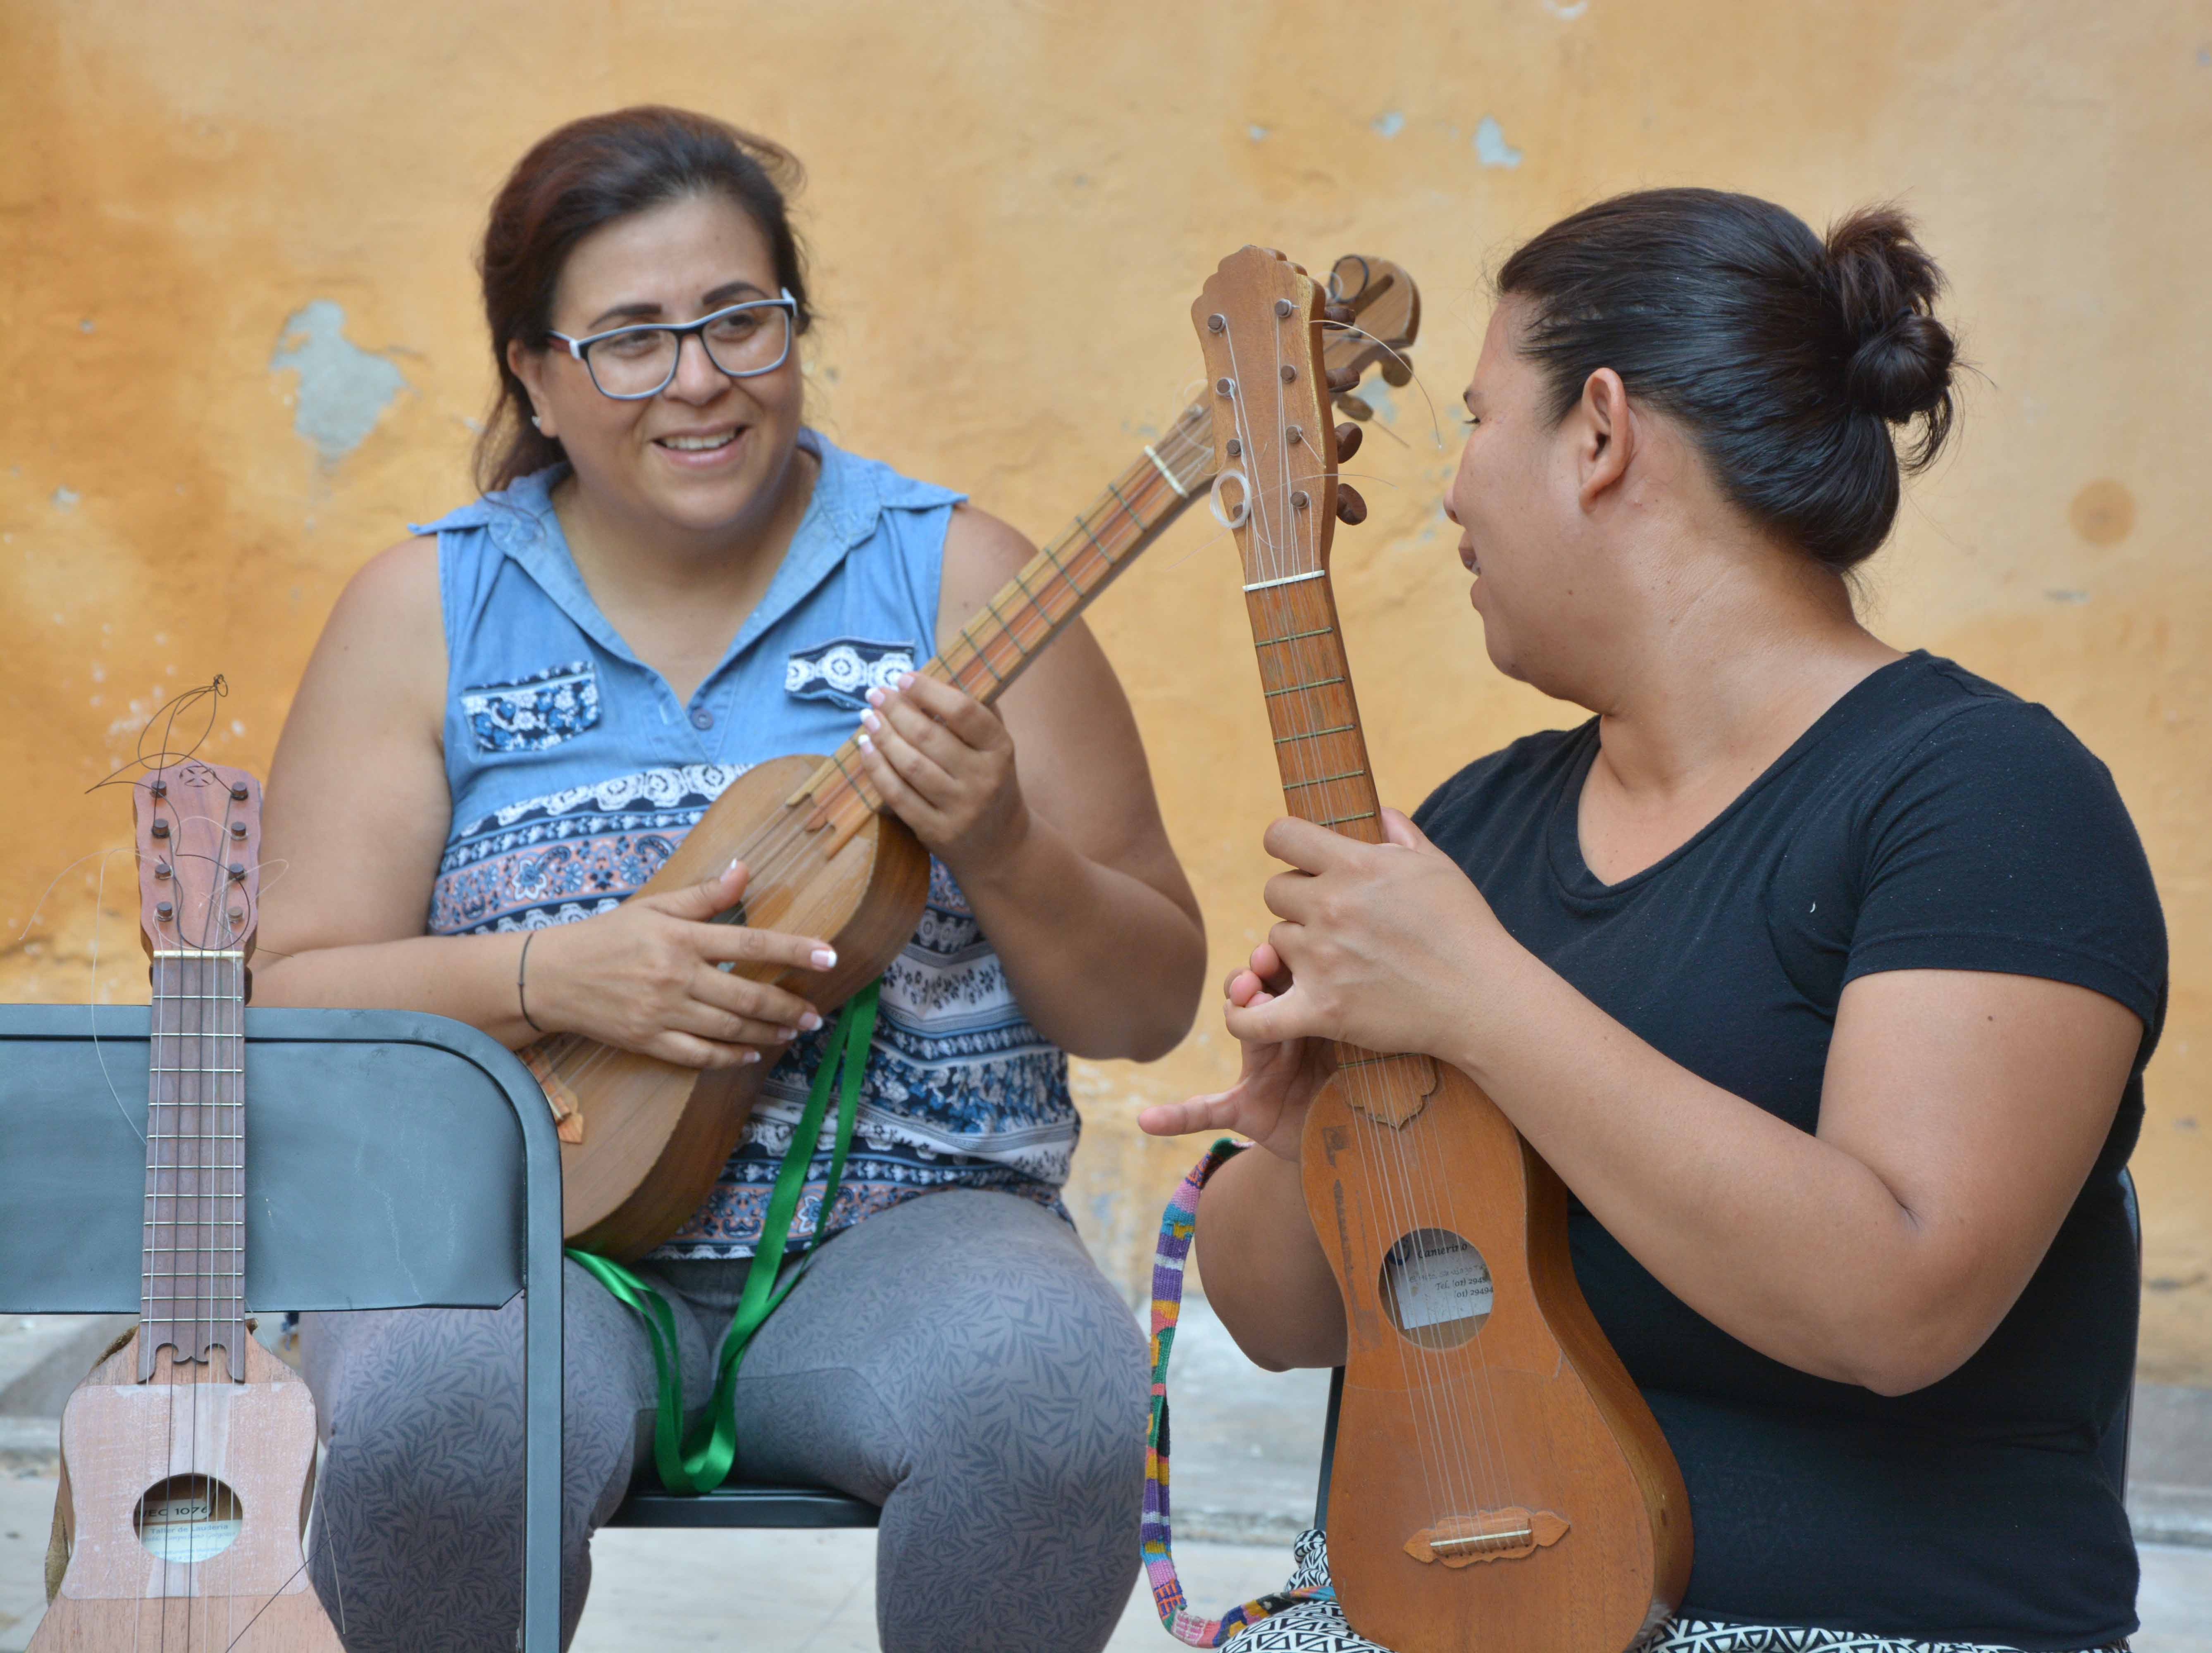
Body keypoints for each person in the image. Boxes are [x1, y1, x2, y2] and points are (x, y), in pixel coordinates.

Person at [1142, 189, 2160, 1652]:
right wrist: (1309, 1139)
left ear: (1601, 433)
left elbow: (1900, 1301)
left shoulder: (1985, 798)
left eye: (1480, 423)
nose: (1449, 495)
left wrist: (1478, 1000)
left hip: (1868, 1627)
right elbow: (1285, 1325)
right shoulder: (1475, 827)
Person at [253, 105, 1207, 1652]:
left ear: (794, 329)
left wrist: (1004, 843)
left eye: (737, 322)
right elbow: (289, 998)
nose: (697, 380)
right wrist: (545, 975)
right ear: (535, 378)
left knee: (1047, 1396)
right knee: (439, 1415)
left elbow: (1153, 1002)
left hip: (907, 1237)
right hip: (521, 1234)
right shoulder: (422, 611)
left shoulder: (962, 582)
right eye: (629, 338)